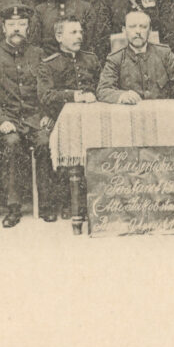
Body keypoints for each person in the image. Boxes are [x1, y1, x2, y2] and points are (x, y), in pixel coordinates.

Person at [0, 4, 52, 228]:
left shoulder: (38, 54)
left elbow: (47, 90)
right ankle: (13, 207)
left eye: (21, 24)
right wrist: (1, 120)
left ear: (28, 28)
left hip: (34, 118)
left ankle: (46, 204)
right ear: (3, 27)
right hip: (7, 119)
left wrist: (47, 114)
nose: (16, 29)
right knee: (11, 143)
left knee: (45, 142)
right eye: (12, 25)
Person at [35, 16, 101, 221]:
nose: (79, 36)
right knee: (45, 144)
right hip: (60, 120)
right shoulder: (49, 64)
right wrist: (75, 96)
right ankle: (54, 203)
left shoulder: (92, 59)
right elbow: (46, 96)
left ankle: (91, 201)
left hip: (91, 120)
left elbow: (102, 88)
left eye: (81, 32)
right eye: (73, 32)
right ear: (59, 36)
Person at [96, 10, 174, 103]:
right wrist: (121, 95)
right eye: (132, 27)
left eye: (143, 27)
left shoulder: (164, 54)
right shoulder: (116, 58)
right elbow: (103, 90)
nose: (138, 31)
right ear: (124, 30)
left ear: (150, 30)